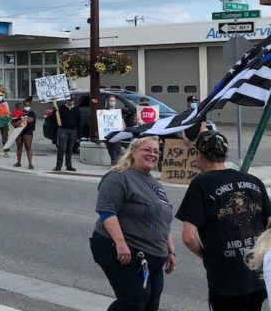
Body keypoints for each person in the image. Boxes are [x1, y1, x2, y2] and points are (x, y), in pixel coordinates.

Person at [177, 131, 271, 310]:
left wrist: (209, 256)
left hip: (226, 279)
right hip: (257, 273)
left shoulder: (201, 184)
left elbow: (188, 236)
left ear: (199, 155)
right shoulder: (253, 181)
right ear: (226, 155)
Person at [90, 136, 176, 310]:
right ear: (133, 151)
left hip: (155, 256)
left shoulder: (154, 183)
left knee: (151, 303)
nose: (153, 154)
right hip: (125, 251)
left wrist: (171, 251)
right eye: (147, 149)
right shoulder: (118, 177)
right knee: (134, 301)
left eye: (156, 151)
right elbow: (107, 212)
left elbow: (162, 220)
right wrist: (121, 244)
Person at [53, 95, 80, 172]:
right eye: (69, 100)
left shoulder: (76, 110)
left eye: (71, 101)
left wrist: (79, 135)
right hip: (63, 129)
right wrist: (54, 112)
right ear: (66, 101)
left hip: (73, 130)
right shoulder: (61, 108)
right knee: (61, 148)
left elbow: (79, 122)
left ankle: (69, 165)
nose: (70, 102)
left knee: (70, 148)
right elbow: (54, 119)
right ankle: (58, 165)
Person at [14, 98, 36, 169]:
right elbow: (14, 122)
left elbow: (30, 120)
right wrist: (16, 122)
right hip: (19, 131)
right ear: (23, 105)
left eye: (28, 105)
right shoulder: (20, 112)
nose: (27, 106)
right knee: (19, 147)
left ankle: (30, 164)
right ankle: (18, 162)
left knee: (28, 147)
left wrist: (20, 120)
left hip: (28, 132)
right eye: (26, 105)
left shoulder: (32, 113)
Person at [104, 95, 124, 165]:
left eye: (114, 101)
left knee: (117, 150)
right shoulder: (104, 112)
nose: (112, 102)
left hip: (117, 134)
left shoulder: (118, 111)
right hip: (107, 134)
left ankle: (116, 163)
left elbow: (122, 121)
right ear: (108, 102)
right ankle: (113, 161)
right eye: (111, 101)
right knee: (110, 150)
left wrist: (123, 128)